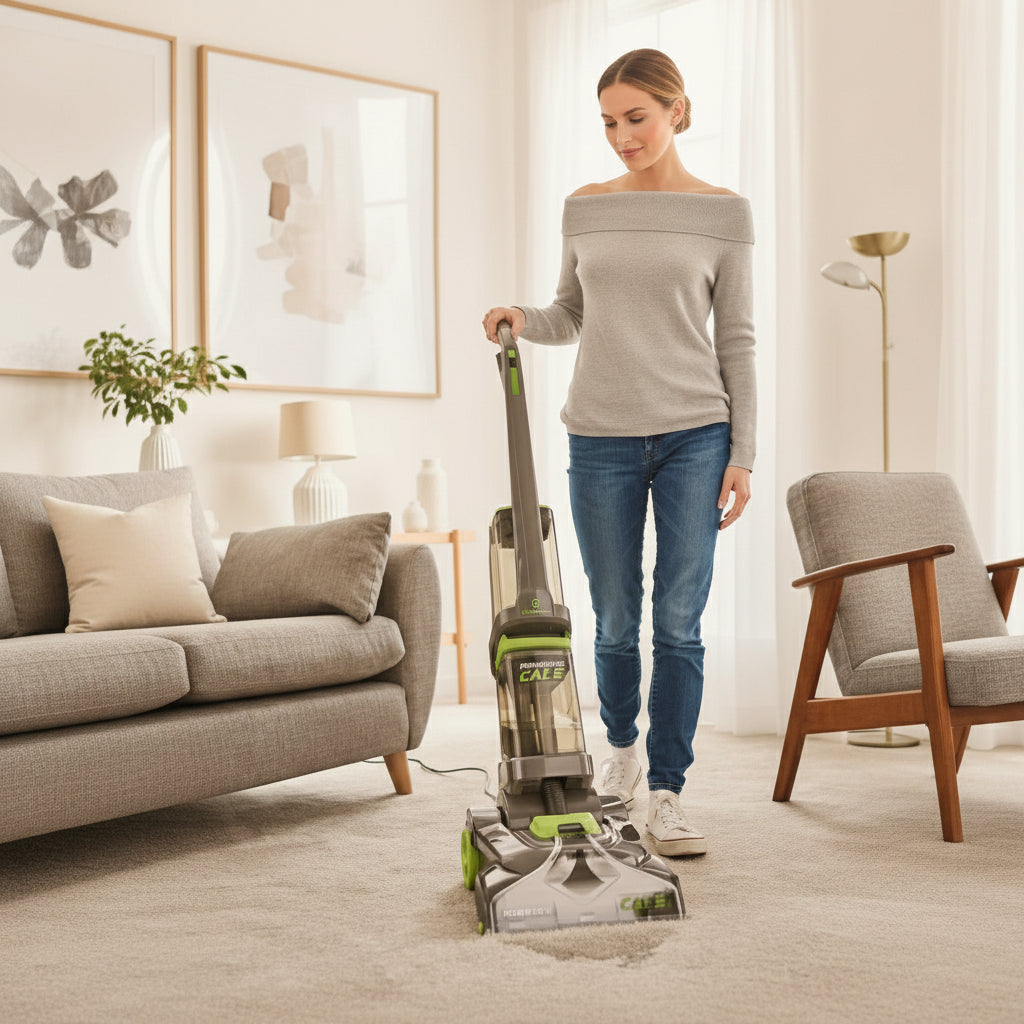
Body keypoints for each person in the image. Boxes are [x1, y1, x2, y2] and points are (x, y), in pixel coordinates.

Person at [482, 48, 755, 858]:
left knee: (679, 618)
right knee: (612, 617)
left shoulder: (724, 213)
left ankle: (667, 791)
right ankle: (623, 757)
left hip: (695, 434)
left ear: (676, 110)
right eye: (608, 121)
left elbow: (736, 340)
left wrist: (745, 450)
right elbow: (572, 313)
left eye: (636, 117)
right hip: (598, 432)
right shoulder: (585, 207)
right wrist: (522, 318)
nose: (621, 135)